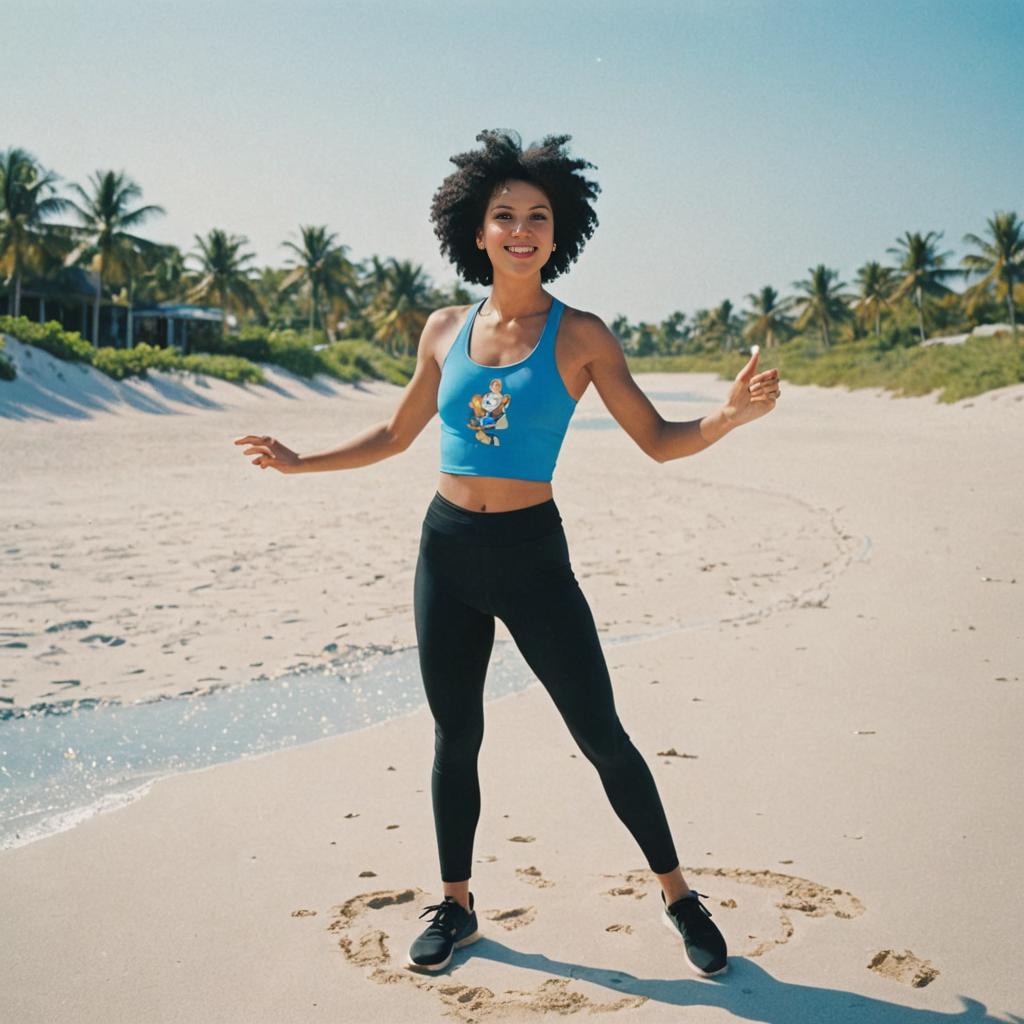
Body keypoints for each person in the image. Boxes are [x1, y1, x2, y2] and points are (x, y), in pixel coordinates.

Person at [234, 129, 780, 979]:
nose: (520, 228)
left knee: (600, 733)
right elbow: (397, 431)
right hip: (446, 550)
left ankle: (679, 895)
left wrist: (728, 418)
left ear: (559, 235)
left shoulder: (583, 335)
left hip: (532, 556)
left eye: (537, 216)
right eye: (504, 215)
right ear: (476, 231)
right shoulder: (443, 327)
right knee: (457, 735)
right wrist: (302, 463)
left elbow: (661, 441)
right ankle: (455, 904)